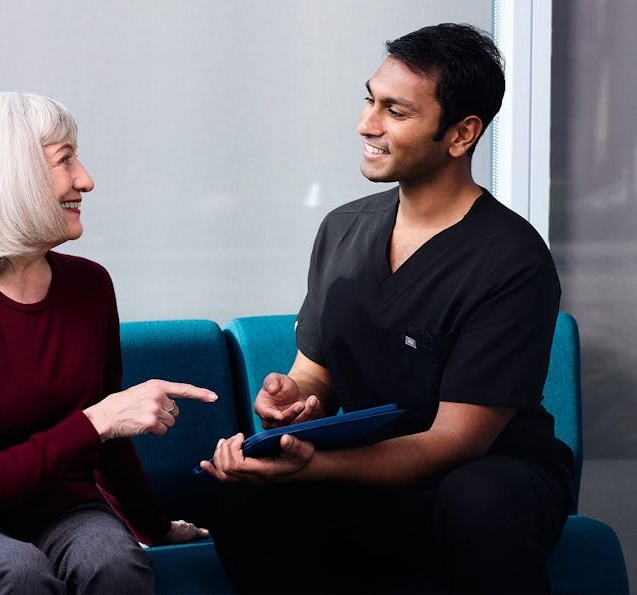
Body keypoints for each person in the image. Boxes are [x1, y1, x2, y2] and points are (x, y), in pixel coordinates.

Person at [201, 23, 574, 594]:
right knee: (241, 495)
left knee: (478, 499)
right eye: (370, 100)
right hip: (375, 475)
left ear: (461, 133)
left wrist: (318, 466)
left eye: (395, 111)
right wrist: (295, 400)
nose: (366, 124)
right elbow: (315, 373)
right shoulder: (343, 229)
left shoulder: (511, 259)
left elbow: (456, 441)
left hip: (491, 477)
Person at [0, 91, 218, 595]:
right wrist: (97, 421)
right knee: (16, 572)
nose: (85, 180)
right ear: (9, 176)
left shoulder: (90, 285)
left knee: (115, 564)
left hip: (59, 510)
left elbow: (109, 446)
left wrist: (155, 527)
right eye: (65, 159)